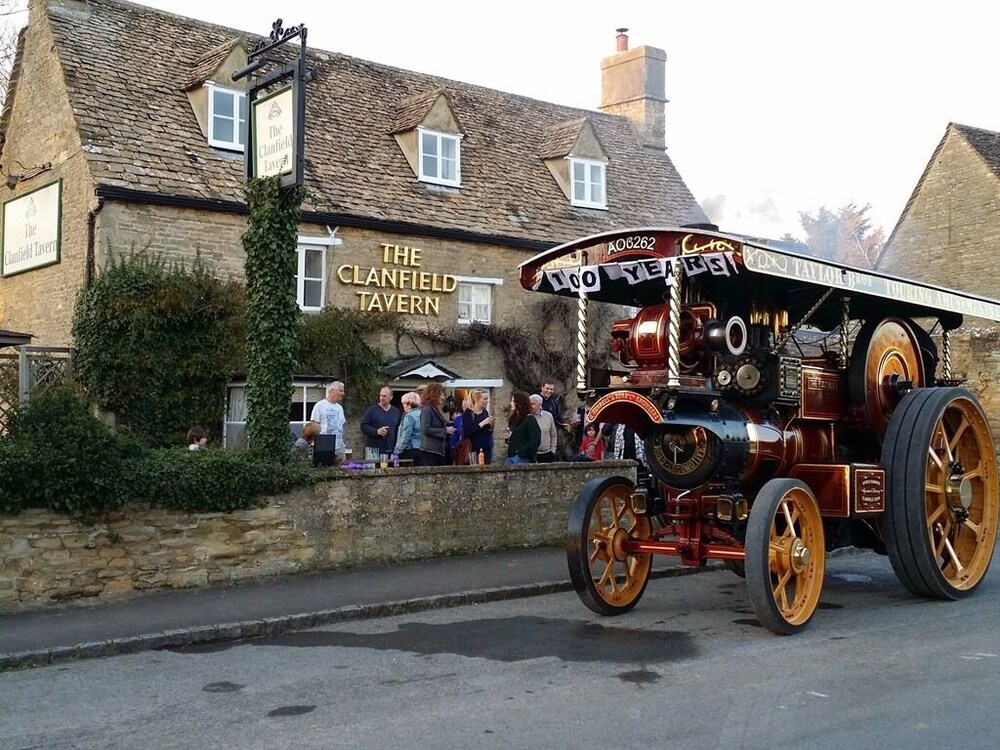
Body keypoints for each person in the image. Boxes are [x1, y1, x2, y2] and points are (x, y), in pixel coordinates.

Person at [361, 384, 402, 458]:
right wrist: (376, 431)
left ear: (391, 397)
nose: (382, 398)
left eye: (384, 396)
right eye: (381, 395)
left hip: (390, 450)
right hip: (374, 450)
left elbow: (399, 430)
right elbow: (364, 426)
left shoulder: (396, 412)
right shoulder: (372, 410)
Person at [419, 382, 454, 466]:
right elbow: (425, 429)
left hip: (437, 452)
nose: (443, 398)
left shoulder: (434, 409)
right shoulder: (427, 409)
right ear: (434, 395)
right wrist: (445, 430)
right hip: (430, 452)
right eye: (441, 395)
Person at [310, 381, 347, 456]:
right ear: (332, 390)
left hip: (340, 447)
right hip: (324, 446)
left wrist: (343, 443)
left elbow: (342, 426)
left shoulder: (340, 408)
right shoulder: (320, 405)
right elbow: (313, 426)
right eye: (340, 391)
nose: (343, 393)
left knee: (342, 467)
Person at [505, 391, 540, 465]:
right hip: (511, 455)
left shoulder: (529, 419)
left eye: (513, 401)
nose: (511, 403)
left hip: (523, 458)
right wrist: (508, 438)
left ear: (519, 403)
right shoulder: (513, 419)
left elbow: (535, 440)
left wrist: (522, 452)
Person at [463, 389, 495, 464]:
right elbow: (467, 432)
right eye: (485, 399)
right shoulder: (468, 413)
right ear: (477, 399)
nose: (487, 401)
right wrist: (482, 423)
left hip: (486, 449)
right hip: (474, 450)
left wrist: (491, 427)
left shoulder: (485, 413)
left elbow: (487, 433)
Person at [392, 391, 423, 464]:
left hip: (410, 450)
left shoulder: (409, 416)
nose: (403, 406)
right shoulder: (421, 414)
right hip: (421, 449)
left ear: (409, 404)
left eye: (403, 404)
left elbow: (406, 436)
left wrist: (397, 451)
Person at [529, 393, 558, 462]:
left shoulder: (548, 416)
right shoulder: (526, 417)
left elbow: (553, 435)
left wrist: (553, 450)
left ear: (539, 405)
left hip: (546, 454)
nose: (530, 406)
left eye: (532, 404)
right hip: (530, 454)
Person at [449, 396, 471, 462]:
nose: (465, 403)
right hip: (461, 451)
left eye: (467, 400)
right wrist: (453, 449)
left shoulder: (475, 417)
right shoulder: (458, 419)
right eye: (464, 400)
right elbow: (454, 436)